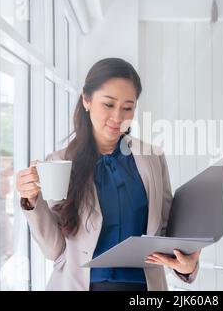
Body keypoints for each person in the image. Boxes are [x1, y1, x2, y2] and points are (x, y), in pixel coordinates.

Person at [16, 58, 201, 291]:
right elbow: (55, 250)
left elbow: (165, 232)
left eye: (127, 107)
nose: (117, 117)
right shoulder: (59, 163)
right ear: (86, 100)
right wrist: (33, 201)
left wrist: (187, 267)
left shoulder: (153, 158)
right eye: (108, 104)